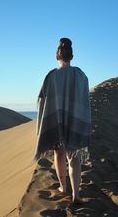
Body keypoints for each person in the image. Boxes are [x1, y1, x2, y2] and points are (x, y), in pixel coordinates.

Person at [34, 38, 91, 204]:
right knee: (74, 158)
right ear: (71, 56)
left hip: (57, 123)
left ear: (57, 56)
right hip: (75, 122)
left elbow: (43, 100)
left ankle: (63, 188)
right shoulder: (81, 75)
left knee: (59, 154)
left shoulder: (52, 76)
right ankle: (76, 195)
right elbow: (84, 101)